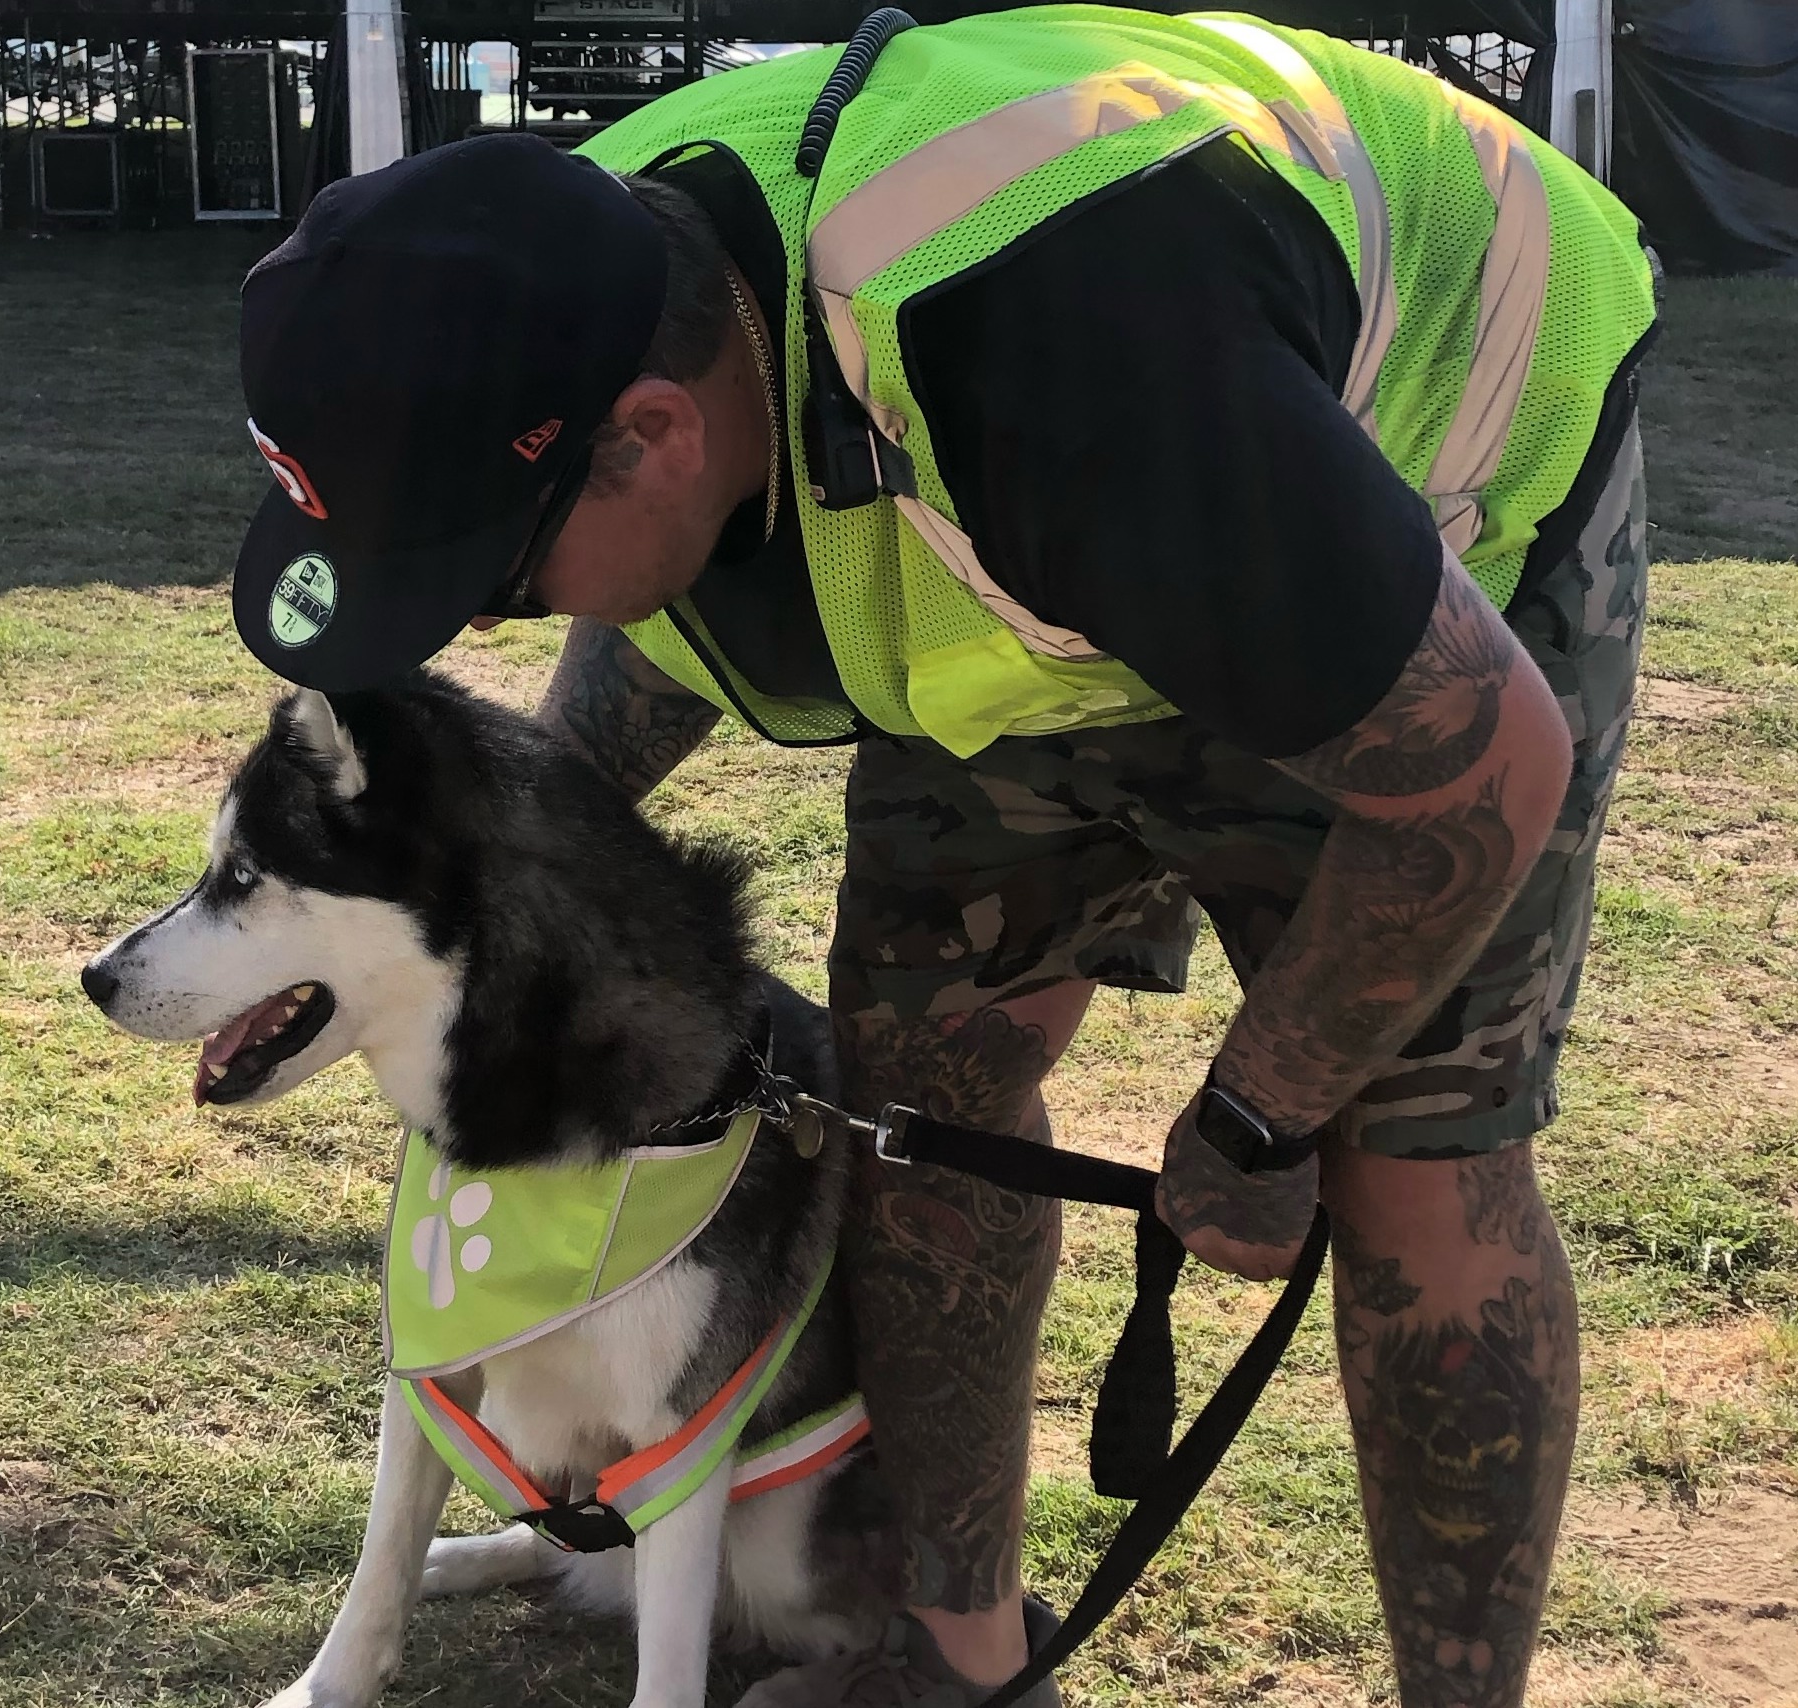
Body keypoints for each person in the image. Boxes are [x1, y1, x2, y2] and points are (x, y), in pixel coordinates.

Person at [226, 10, 1656, 1705]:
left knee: (1413, 1160)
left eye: (494, 583)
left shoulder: (1066, 367)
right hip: (1011, 536)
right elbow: (642, 634)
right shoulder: (565, 268)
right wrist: (534, 895)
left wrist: (1265, 1113)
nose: (481, 624)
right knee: (918, 1087)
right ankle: (958, 1658)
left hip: (1396, 489)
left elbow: (1479, 772)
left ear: (655, 437)